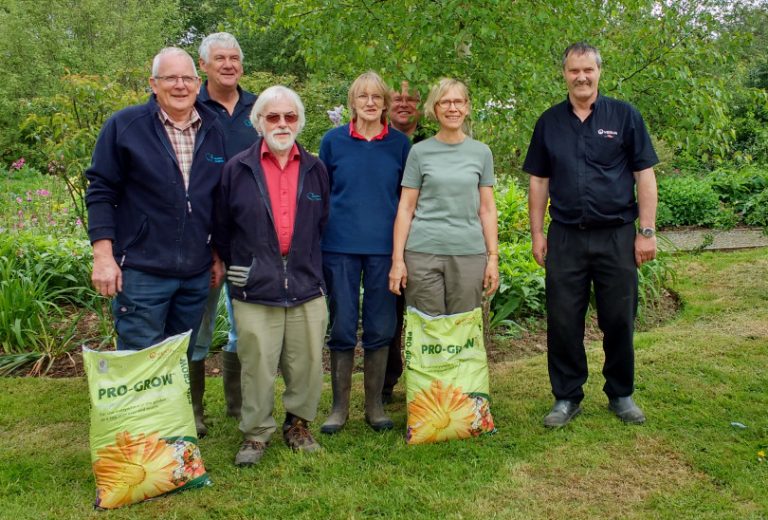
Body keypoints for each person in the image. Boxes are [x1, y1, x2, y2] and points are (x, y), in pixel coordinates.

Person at [85, 48, 226, 435]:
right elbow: (101, 191)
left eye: (187, 78)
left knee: (179, 357)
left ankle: (172, 437)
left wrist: (216, 253)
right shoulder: (126, 126)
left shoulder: (213, 128)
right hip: (142, 270)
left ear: (198, 83)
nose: (180, 85)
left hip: (195, 271)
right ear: (153, 84)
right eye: (170, 78)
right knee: (141, 359)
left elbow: (216, 200)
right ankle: (141, 442)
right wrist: (103, 256)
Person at [523, 42, 659, 428]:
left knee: (619, 318)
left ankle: (621, 393)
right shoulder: (549, 122)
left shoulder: (625, 116)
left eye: (588, 70)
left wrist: (646, 232)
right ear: (564, 74)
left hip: (617, 235)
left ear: (599, 72)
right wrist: (537, 233)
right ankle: (567, 396)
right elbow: (539, 182)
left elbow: (644, 175)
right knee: (563, 320)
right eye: (574, 70)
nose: (581, 77)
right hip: (566, 237)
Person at [213, 86, 330, 466]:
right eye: (273, 117)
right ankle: (256, 433)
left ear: (299, 122)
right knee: (257, 364)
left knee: (307, 363)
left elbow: (322, 222)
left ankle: (298, 425)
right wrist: (244, 264)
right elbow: (222, 226)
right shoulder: (237, 169)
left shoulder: (315, 169)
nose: (282, 124)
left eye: (289, 116)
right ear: (258, 122)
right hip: (254, 284)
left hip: (305, 282)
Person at [319, 71, 411, 434]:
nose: (370, 103)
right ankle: (339, 407)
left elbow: (407, 201)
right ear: (352, 102)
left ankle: (375, 405)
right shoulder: (333, 141)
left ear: (385, 103)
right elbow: (321, 194)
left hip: (384, 250)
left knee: (381, 326)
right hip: (339, 246)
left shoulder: (400, 145)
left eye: (377, 97)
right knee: (342, 325)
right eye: (363, 96)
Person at [190, 32, 259, 436]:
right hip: (201, 237)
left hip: (247, 239)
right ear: (204, 65)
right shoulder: (191, 106)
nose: (229, 64)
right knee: (199, 327)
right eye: (220, 58)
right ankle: (195, 411)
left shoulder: (258, 109)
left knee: (244, 325)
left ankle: (238, 404)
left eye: (234, 58)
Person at [388, 77, 499, 319]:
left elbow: (487, 209)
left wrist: (493, 258)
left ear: (467, 107)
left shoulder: (481, 153)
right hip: (423, 254)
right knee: (427, 328)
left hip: (469, 254)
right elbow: (406, 208)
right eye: (445, 102)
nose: (452, 108)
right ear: (434, 108)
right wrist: (398, 260)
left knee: (463, 327)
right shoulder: (419, 152)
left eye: (458, 102)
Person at [382, 80, 425, 404]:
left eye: (411, 99)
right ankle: (386, 381)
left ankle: (430, 378)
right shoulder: (378, 139)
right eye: (398, 98)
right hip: (386, 241)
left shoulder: (432, 140)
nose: (404, 104)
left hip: (427, 239)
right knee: (388, 317)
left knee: (427, 315)